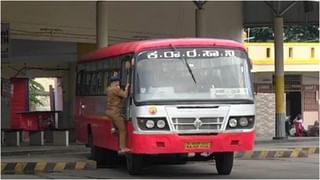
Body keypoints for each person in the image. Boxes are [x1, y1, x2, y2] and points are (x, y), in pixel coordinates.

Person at [105, 74, 130, 154]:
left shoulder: (108, 89)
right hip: (115, 112)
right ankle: (122, 148)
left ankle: (113, 128)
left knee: (120, 121)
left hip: (109, 111)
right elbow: (125, 95)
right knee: (122, 130)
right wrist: (126, 88)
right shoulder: (116, 89)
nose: (118, 83)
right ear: (115, 82)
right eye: (118, 82)